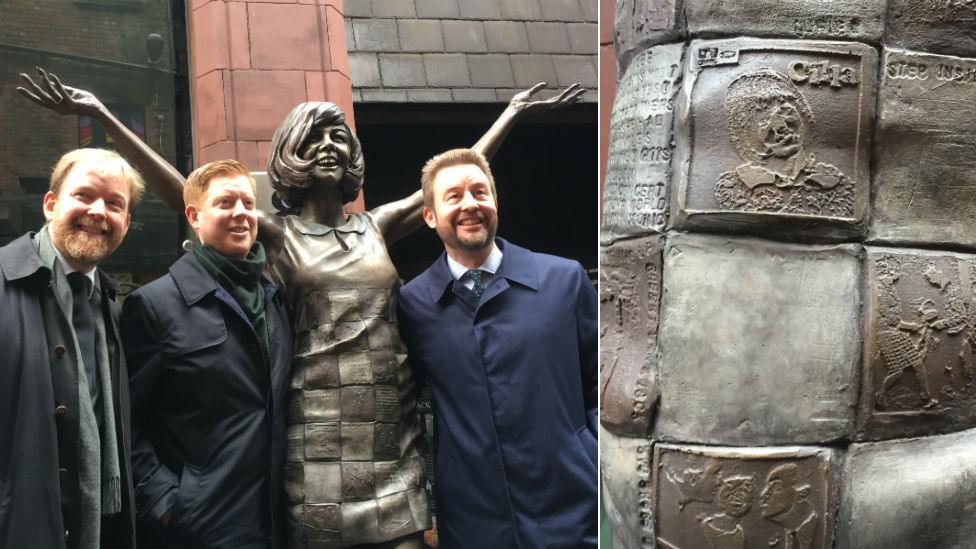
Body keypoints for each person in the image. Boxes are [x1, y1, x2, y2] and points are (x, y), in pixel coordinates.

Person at [18, 67, 582, 548]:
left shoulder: (376, 227)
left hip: (393, 444)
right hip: (314, 444)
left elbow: (451, 182)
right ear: (292, 153)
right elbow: (185, 191)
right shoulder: (278, 235)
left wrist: (510, 114)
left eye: (338, 136)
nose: (330, 147)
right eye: (314, 139)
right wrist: (104, 115)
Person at [396, 148, 598, 548]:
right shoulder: (413, 304)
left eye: (480, 192)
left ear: (495, 203)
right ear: (430, 216)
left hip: (573, 509)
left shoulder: (563, 280)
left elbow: (600, 387)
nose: (470, 203)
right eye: (453, 196)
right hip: (474, 520)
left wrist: (592, 460)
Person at [119, 160, 292, 549]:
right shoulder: (154, 305)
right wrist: (166, 502)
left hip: (276, 525)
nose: (241, 214)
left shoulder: (275, 299)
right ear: (195, 216)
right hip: (198, 529)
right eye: (225, 202)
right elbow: (127, 421)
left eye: (248, 203)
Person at [0, 148, 142, 549]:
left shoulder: (113, 312)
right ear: (51, 204)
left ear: (126, 222)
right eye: (84, 195)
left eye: (115, 204)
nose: (98, 211)